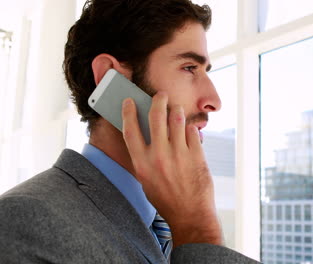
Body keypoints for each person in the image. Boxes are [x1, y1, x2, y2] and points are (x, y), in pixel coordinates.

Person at [0, 0, 260, 263]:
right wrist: (199, 232)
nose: (214, 101)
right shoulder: (21, 220)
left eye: (205, 70)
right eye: (189, 68)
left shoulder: (171, 220)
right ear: (111, 76)